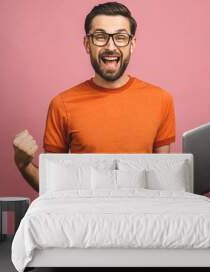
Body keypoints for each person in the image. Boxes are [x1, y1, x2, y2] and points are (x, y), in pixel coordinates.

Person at [12, 2, 176, 192]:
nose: (110, 46)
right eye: (100, 37)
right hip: (85, 217)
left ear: (132, 45)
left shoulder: (161, 100)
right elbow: (53, 187)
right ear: (87, 44)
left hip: (141, 217)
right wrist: (23, 165)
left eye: (121, 37)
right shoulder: (61, 104)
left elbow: (162, 183)